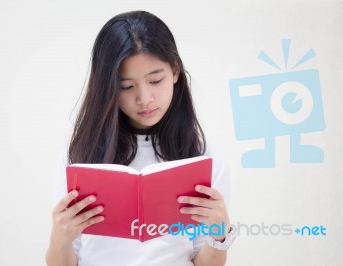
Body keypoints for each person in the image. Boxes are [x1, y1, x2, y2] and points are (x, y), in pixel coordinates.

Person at [46, 10, 235, 266]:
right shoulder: (79, 157)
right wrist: (60, 238)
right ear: (108, 87)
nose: (144, 98)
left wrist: (219, 231)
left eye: (155, 80)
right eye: (126, 86)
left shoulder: (202, 155)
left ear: (176, 71)